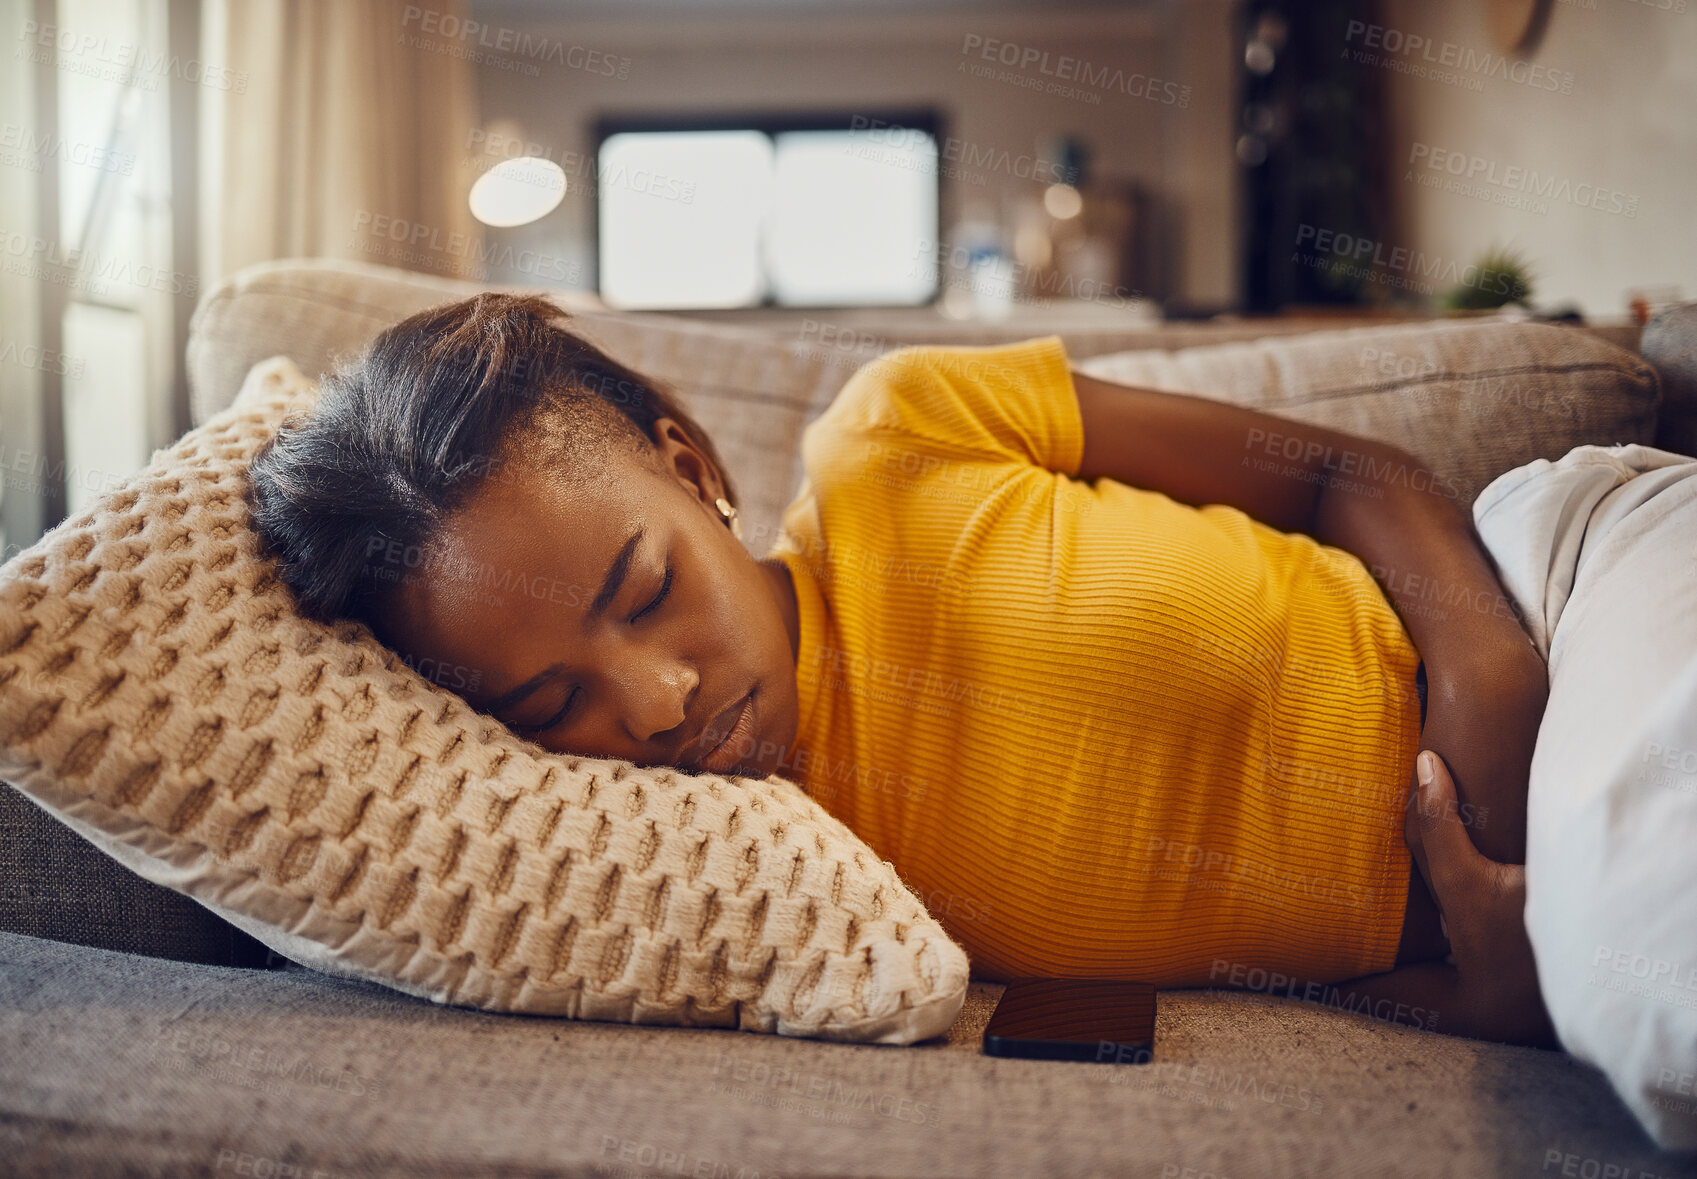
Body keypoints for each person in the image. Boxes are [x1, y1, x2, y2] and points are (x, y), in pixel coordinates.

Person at [248, 293, 1553, 1047]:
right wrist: (1491, 984)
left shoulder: (901, 438)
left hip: (1551, 613)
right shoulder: (754, 877)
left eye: (645, 593)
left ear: (693, 474)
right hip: (1554, 916)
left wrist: (1487, 678)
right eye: (548, 707)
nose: (654, 705)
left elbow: (1345, 473)